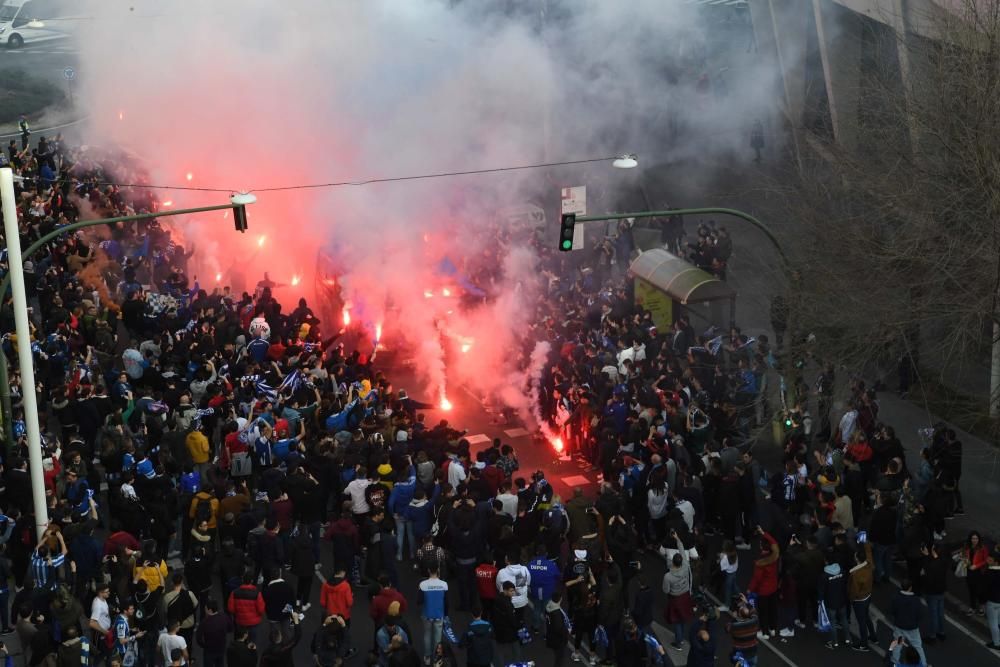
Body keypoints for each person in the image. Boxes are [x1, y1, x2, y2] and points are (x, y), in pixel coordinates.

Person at [662, 530, 693, 650]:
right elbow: (682, 550)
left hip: (675, 599)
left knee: (677, 621)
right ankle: (681, 639)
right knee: (683, 619)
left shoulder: (668, 576)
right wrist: (678, 539)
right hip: (685, 596)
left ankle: (678, 642)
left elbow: (665, 590)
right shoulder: (685, 566)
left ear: (672, 562)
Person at [890, 579, 925, 664]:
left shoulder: (896, 598)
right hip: (912, 627)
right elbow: (919, 615)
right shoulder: (916, 600)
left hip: (899, 626)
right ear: (910, 588)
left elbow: (892, 611)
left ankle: (895, 662)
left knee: (897, 645)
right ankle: (923, 664)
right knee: (917, 646)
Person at [418, 566, 448, 664]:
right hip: (439, 614)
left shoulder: (423, 585)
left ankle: (427, 657)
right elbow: (447, 602)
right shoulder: (444, 585)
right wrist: (446, 614)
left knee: (427, 635)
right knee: (438, 637)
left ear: (428, 570)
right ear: (438, 571)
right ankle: (437, 657)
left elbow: (419, 601)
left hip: (426, 614)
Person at [545, 590, 572, 667]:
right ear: (560, 599)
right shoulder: (556, 613)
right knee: (559, 658)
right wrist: (567, 631)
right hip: (558, 640)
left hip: (551, 635)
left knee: (557, 656)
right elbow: (559, 628)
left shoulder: (549, 606)